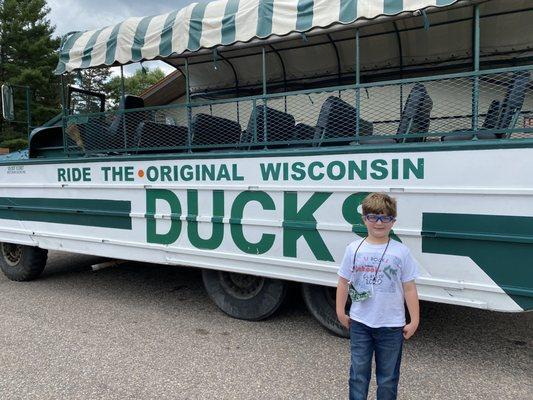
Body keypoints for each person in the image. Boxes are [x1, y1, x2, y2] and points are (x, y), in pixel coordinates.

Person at [336, 192, 420, 400]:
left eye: (385, 218)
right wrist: (340, 311)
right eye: (373, 217)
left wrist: (415, 319)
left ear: (393, 221)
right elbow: (343, 281)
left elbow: (409, 287)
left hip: (391, 326)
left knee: (388, 378)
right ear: (364, 219)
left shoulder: (401, 252)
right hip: (360, 323)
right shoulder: (353, 249)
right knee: (358, 375)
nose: (379, 223)